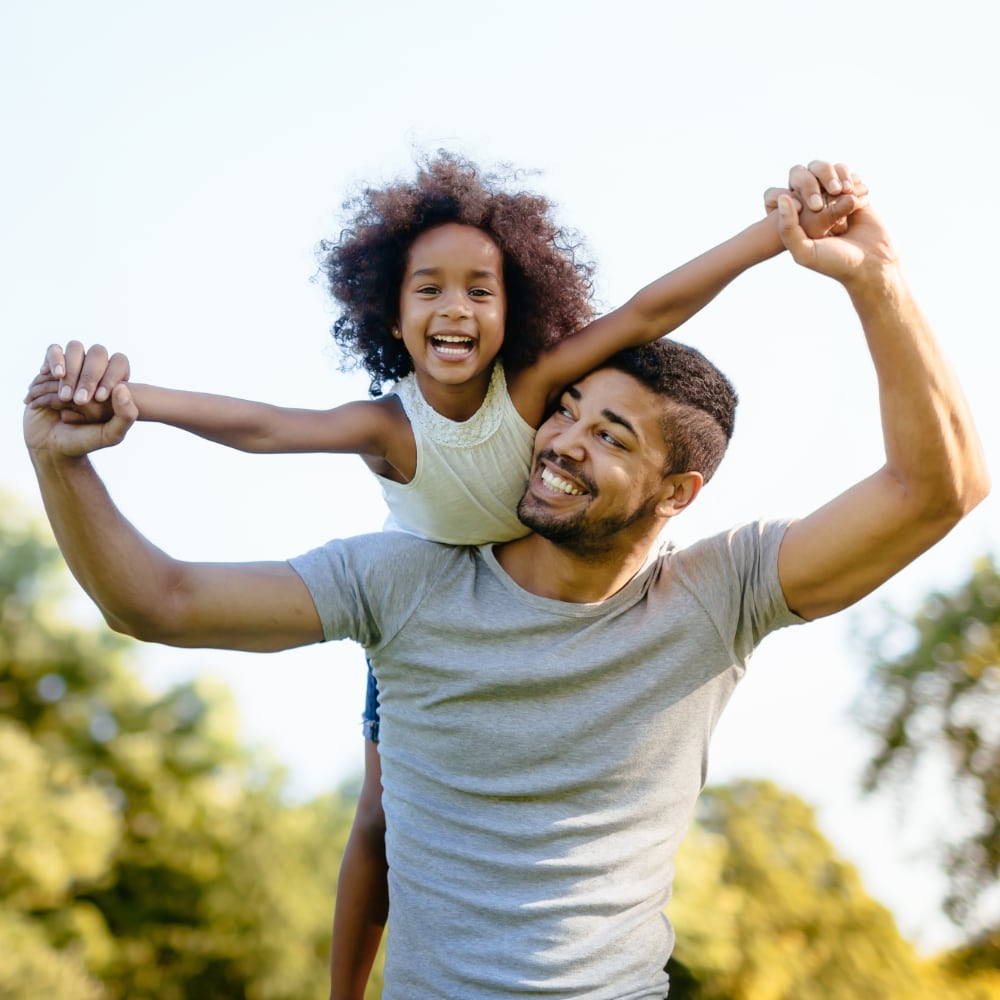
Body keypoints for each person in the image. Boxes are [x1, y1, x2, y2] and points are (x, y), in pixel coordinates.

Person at [24, 167, 988, 998]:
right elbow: (156, 602)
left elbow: (937, 488)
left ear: (678, 492)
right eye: (569, 410)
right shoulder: (402, 581)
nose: (564, 439)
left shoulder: (717, 596)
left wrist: (878, 280)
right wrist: (63, 462)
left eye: (610, 436)